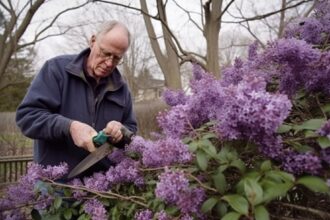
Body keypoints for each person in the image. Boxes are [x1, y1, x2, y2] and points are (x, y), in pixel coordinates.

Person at [16, 20, 137, 180]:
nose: (109, 63)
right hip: (56, 186)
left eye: (116, 58)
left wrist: (121, 132)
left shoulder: (121, 89)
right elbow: (27, 117)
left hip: (104, 189)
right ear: (93, 41)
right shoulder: (56, 71)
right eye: (105, 53)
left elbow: (132, 132)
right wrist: (69, 127)